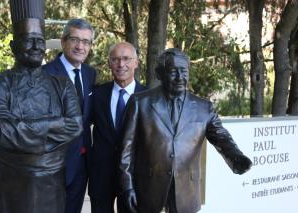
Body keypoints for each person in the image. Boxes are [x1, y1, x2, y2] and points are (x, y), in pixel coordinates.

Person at [0, 0, 83, 213]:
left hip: (52, 185)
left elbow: (75, 125)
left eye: (40, 40)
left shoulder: (62, 85)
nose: (36, 47)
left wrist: (20, 130)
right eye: (28, 40)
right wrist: (54, 125)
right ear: (13, 46)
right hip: (9, 185)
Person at [118, 48, 252, 213]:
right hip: (149, 188)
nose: (180, 77)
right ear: (160, 73)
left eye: (184, 71)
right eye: (173, 72)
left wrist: (236, 157)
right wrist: (127, 187)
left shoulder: (204, 108)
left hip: (186, 191)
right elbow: (126, 150)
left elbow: (221, 136)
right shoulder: (140, 103)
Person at [43, 18, 96, 213]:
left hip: (82, 163)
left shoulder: (90, 74)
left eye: (86, 41)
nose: (80, 46)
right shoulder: (45, 74)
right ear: (64, 41)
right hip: (54, 164)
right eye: (75, 39)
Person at [88, 41, 145, 213]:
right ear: (109, 63)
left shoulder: (148, 98)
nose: (121, 64)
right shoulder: (96, 95)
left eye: (126, 59)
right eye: (115, 59)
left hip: (134, 177)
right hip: (101, 175)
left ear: (136, 62)